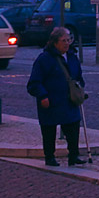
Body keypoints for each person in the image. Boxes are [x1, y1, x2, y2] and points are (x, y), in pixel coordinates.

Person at [26, 25, 86, 167]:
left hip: (69, 100)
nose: (67, 43)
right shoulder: (44, 59)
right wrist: (42, 96)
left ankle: (73, 155)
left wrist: (80, 88)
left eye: (68, 40)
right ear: (55, 42)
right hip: (51, 100)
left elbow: (78, 76)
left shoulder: (72, 57)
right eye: (63, 40)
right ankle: (50, 157)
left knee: (73, 127)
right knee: (49, 130)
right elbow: (34, 82)